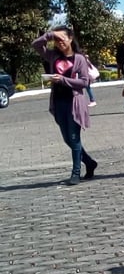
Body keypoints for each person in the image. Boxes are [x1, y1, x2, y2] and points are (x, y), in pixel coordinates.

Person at [32, 27, 98, 185]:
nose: (60, 42)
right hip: (58, 102)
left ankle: (76, 172)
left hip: (74, 102)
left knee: (74, 138)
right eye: (57, 39)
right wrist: (49, 35)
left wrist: (62, 80)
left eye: (63, 38)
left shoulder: (79, 59)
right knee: (67, 138)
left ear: (70, 39)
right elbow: (35, 45)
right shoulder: (53, 56)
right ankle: (89, 162)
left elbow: (84, 82)